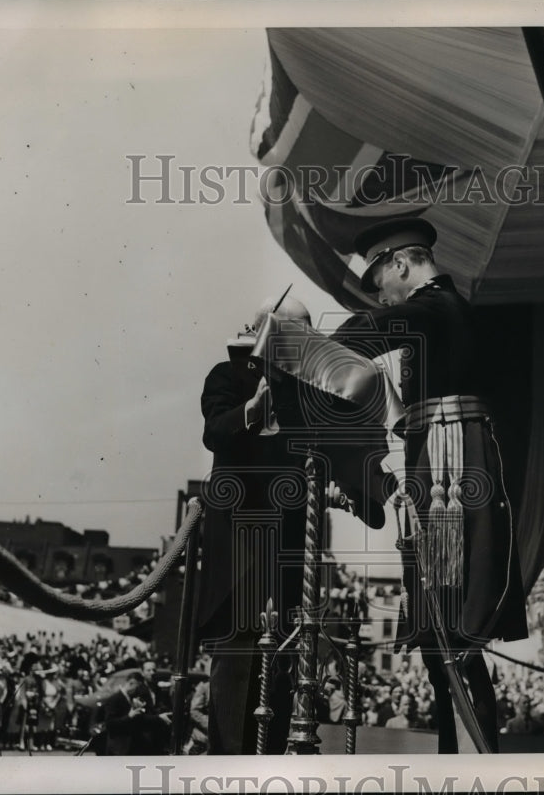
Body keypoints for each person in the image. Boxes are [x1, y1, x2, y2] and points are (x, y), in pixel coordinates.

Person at [330, 217, 529, 753]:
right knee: (442, 640)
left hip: (448, 475)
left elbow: (362, 335)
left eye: (382, 281)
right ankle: (458, 763)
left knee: (453, 632)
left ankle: (470, 769)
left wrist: (297, 350)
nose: (384, 294)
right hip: (438, 471)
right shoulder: (443, 314)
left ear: (400, 263)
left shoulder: (437, 308)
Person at [196, 295, 313, 754]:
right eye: (297, 332)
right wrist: (254, 408)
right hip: (241, 544)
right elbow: (215, 431)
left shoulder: (305, 387)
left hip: (287, 545)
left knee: (282, 655)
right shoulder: (226, 376)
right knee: (238, 655)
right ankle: (227, 765)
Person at [99, 672, 147, 755]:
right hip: (117, 748)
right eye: (138, 687)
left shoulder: (130, 698)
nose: (139, 690)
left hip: (127, 747)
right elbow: (110, 724)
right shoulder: (114, 699)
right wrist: (129, 716)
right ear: (131, 683)